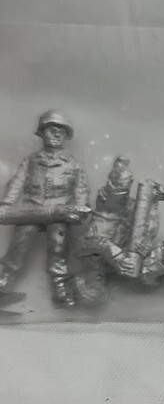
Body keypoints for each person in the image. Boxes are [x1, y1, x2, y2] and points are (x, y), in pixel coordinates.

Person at [0, 111, 90, 305]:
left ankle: (60, 285)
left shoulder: (72, 163)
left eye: (61, 131)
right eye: (52, 130)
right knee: (20, 242)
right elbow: (17, 183)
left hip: (59, 212)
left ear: (66, 136)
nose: (57, 134)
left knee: (58, 244)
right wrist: (6, 205)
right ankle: (4, 279)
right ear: (42, 133)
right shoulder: (31, 161)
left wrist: (79, 208)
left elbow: (81, 189)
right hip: (31, 210)